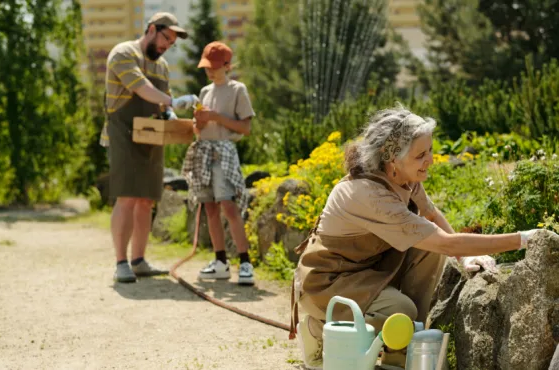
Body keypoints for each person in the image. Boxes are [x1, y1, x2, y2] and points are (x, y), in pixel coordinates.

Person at [290, 104, 551, 369]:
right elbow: (445, 242)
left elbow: (431, 216)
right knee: (401, 309)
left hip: (367, 270)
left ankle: (400, 353)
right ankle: (321, 327)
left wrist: (465, 256)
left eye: (430, 151)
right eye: (421, 155)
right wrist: (523, 238)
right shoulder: (368, 194)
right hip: (327, 281)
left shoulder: (404, 178)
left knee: (428, 252)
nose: (430, 160)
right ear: (392, 159)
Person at [101, 12, 200, 283]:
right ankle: (121, 262)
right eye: (166, 38)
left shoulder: (163, 67)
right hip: (122, 134)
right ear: (152, 29)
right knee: (127, 196)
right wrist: (173, 100)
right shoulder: (123, 53)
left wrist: (173, 118)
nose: (168, 45)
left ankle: (139, 261)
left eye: (172, 43)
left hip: (153, 135)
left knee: (145, 199)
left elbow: (160, 105)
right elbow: (142, 88)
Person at [181, 41, 256, 285]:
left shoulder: (237, 90)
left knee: (228, 205)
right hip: (204, 152)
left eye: (214, 67)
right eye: (207, 67)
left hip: (224, 152)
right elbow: (197, 129)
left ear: (227, 65)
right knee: (210, 209)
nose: (209, 71)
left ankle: (245, 262)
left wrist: (215, 117)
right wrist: (200, 122)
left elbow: (245, 128)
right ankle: (221, 262)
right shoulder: (204, 92)